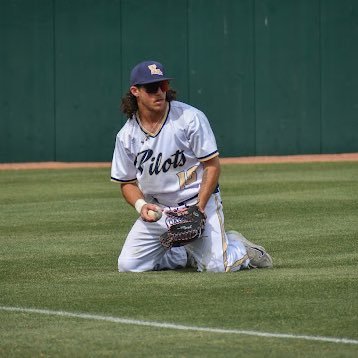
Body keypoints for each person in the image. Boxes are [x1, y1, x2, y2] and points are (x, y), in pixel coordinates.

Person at [111, 60, 273, 272]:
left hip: (197, 204)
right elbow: (127, 183)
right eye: (151, 88)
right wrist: (142, 206)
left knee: (218, 266)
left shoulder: (189, 118)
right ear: (135, 91)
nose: (159, 92)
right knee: (128, 265)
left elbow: (212, 166)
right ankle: (181, 252)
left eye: (163, 86)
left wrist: (199, 208)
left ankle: (241, 248)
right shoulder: (127, 136)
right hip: (160, 211)